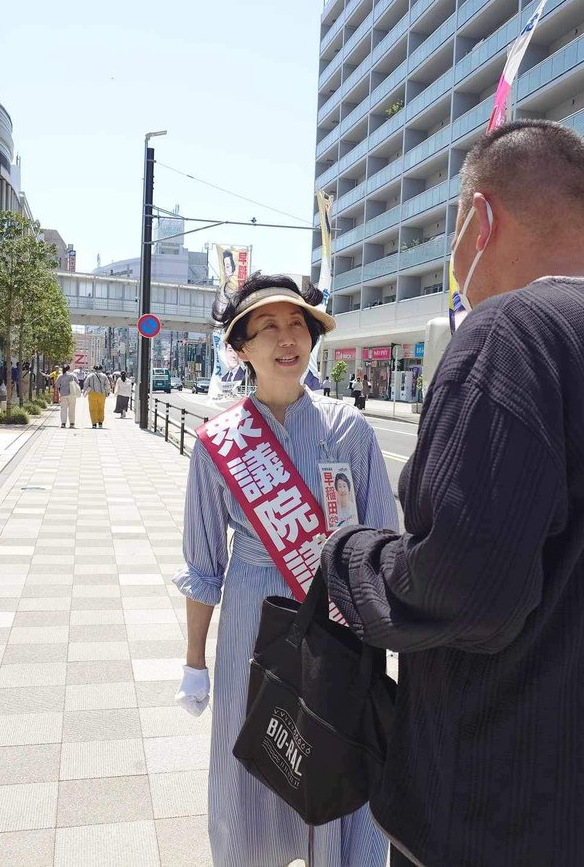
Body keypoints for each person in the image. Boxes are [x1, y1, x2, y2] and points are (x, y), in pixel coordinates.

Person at [321, 121, 584, 866]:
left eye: (452, 237)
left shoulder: (509, 335)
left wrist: (352, 555)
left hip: (503, 808)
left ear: (482, 220)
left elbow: (464, 589)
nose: (455, 264)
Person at [174, 274, 397, 867]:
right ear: (241, 348)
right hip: (250, 637)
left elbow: (383, 546)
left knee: (332, 767)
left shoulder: (351, 431)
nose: (286, 337)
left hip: (335, 637)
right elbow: (202, 566)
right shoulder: (218, 443)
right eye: (267, 326)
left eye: (297, 323)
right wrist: (195, 662)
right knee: (249, 769)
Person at [85, 364, 109, 428]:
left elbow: (86, 384)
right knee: (101, 409)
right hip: (102, 394)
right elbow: (107, 385)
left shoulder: (90, 376)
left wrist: (85, 392)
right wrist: (107, 392)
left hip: (92, 394)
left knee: (92, 409)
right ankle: (100, 423)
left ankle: (94, 423)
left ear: (94, 369)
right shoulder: (104, 376)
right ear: (101, 369)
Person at [56, 364, 79, 429]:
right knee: (72, 409)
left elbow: (57, 385)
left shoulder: (60, 376)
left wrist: (61, 388)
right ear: (69, 369)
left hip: (63, 394)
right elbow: (77, 383)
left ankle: (63, 423)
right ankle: (72, 423)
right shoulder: (73, 375)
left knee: (63, 409)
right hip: (72, 394)